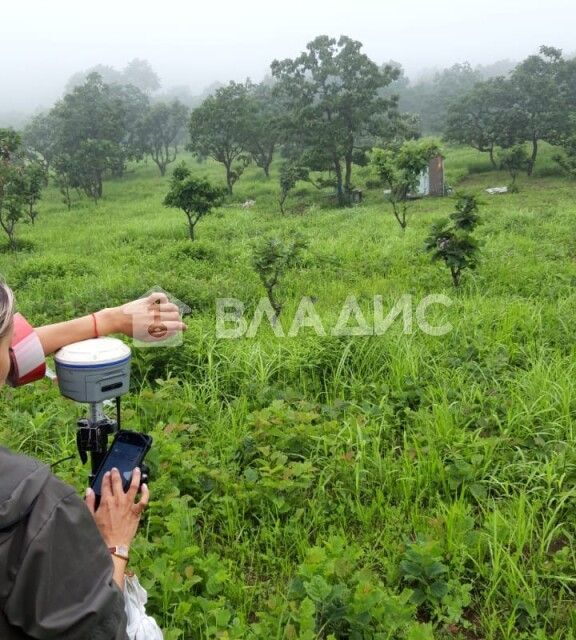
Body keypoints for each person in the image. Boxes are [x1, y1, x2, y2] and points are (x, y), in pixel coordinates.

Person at [0, 283, 186, 639]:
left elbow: (19, 351)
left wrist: (111, 319)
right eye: (8, 345)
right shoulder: (31, 509)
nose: (15, 354)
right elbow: (98, 630)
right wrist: (114, 542)